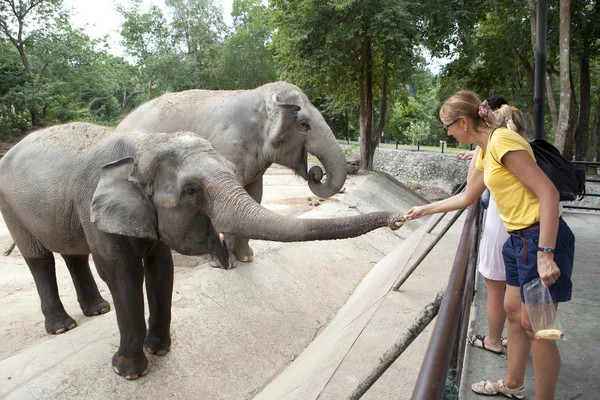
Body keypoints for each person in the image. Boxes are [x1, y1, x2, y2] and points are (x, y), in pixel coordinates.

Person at [404, 91, 575, 399]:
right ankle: (512, 383)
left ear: (464, 122)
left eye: (448, 126)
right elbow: (468, 196)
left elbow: (548, 193)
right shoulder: (486, 148)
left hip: (540, 238)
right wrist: (424, 209)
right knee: (513, 311)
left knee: (537, 329)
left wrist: (546, 254)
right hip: (518, 240)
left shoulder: (503, 142)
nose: (447, 133)